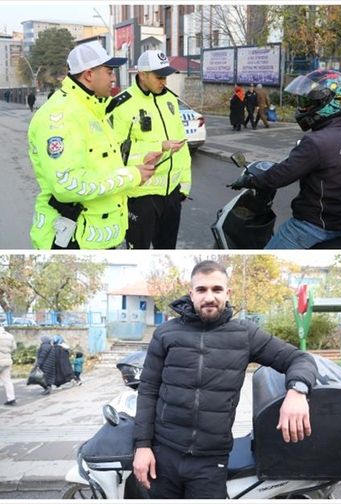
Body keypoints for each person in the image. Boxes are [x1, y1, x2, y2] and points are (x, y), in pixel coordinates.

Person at [132, 260, 318, 499]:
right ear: (191, 294)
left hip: (210, 462)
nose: (209, 297)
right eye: (201, 290)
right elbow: (148, 391)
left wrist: (297, 391)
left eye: (216, 289)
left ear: (227, 293)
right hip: (163, 455)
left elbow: (299, 358)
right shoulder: (166, 333)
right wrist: (142, 446)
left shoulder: (245, 334)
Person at [28, 41, 159, 249]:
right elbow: (67, 183)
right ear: (89, 75)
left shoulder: (93, 109)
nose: (114, 78)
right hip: (71, 238)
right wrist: (131, 176)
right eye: (109, 72)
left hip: (97, 234)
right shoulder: (61, 117)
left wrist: (137, 166)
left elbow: (100, 164)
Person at [228, 70, 341, 249]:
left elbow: (282, 175)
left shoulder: (316, 142)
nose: (302, 107)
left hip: (311, 228)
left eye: (308, 101)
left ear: (329, 102)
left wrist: (251, 181)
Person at [106, 50, 191, 250]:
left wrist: (184, 186)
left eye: (166, 77)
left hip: (171, 194)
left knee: (168, 251)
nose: (164, 82)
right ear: (143, 74)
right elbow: (115, 151)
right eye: (159, 77)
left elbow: (182, 144)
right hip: (140, 196)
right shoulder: (122, 104)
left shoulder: (170, 99)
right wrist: (157, 146)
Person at [0, 326, 16, 406]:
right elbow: (14, 348)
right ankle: (11, 398)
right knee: (7, 381)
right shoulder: (10, 336)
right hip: (7, 361)